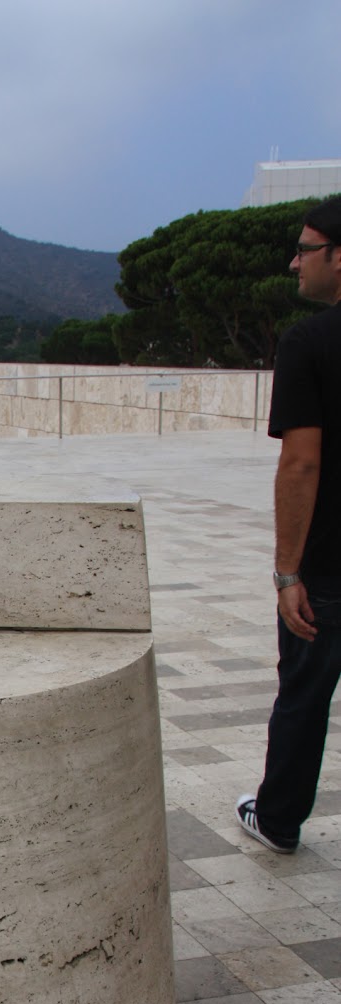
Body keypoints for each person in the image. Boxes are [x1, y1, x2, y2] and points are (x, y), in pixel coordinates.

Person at [237, 195, 341, 853]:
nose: (293, 261)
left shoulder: (309, 342)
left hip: (329, 566)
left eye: (305, 248)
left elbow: (301, 463)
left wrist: (286, 571)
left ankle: (276, 820)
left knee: (303, 698)